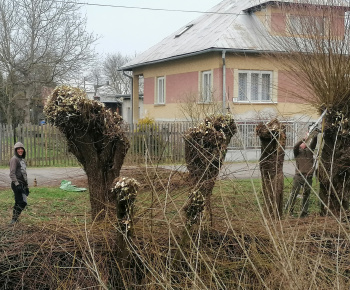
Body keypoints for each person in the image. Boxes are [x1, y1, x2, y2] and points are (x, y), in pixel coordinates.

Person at [285, 132, 318, 217]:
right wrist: (303, 139)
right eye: (303, 143)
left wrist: (315, 136)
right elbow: (295, 146)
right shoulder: (297, 152)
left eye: (305, 143)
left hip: (308, 177)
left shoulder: (310, 151)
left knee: (306, 195)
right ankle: (289, 211)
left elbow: (314, 143)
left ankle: (304, 213)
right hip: (299, 176)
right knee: (294, 194)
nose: (304, 144)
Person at [9, 142, 29, 225]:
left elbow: (24, 174)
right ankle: (14, 220)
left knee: (18, 202)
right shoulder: (14, 159)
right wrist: (17, 184)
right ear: (15, 150)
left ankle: (15, 219)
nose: (20, 150)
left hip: (22, 184)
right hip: (17, 184)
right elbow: (12, 173)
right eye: (18, 149)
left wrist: (26, 187)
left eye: (21, 149)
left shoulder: (21, 159)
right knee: (22, 202)